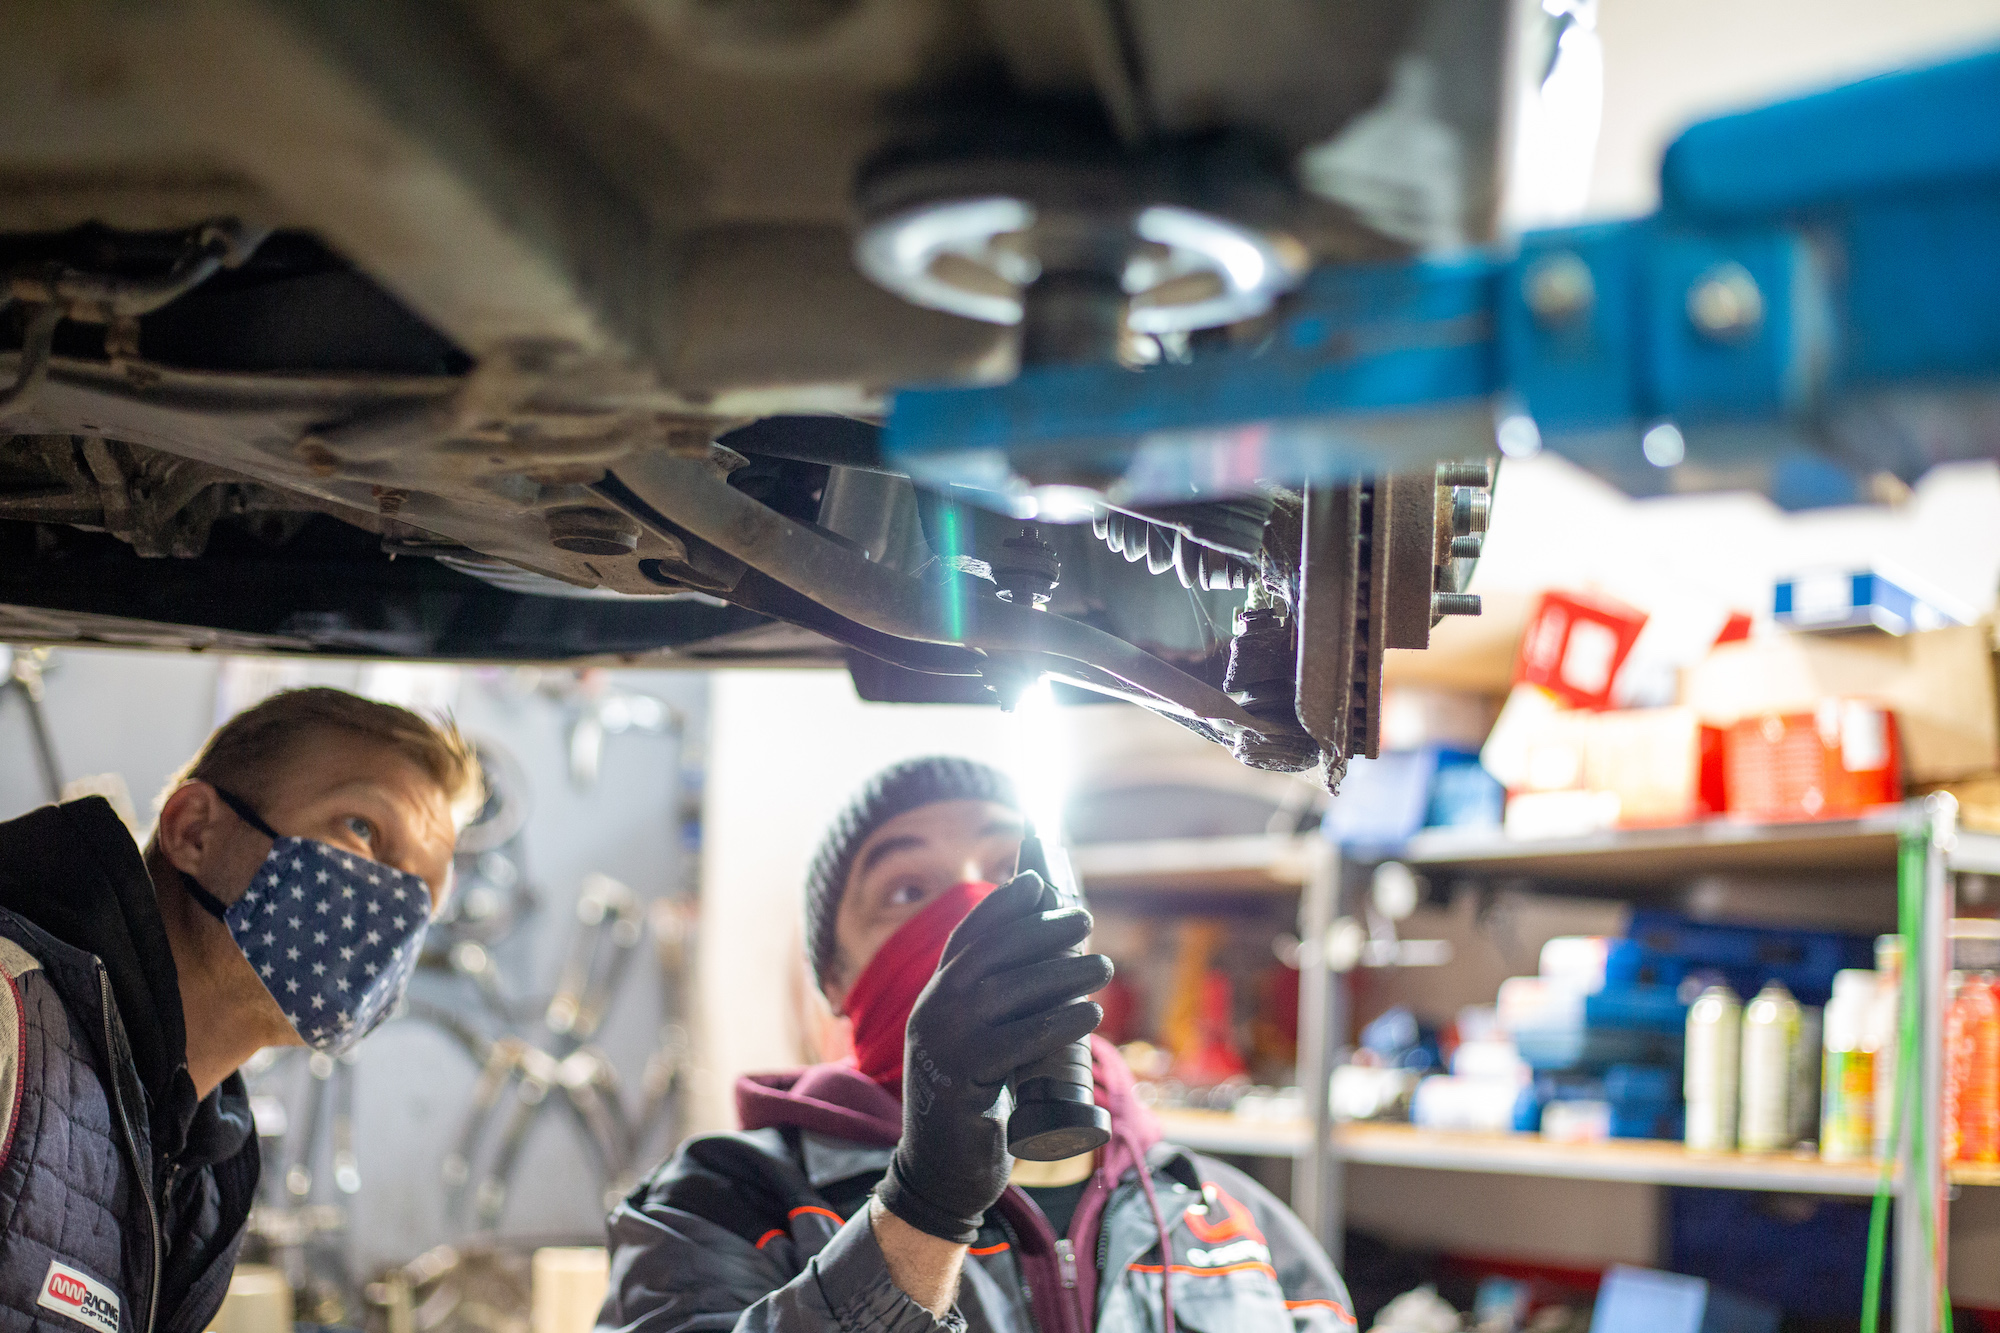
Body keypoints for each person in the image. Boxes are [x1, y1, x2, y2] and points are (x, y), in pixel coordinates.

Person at [600, 756, 1354, 1333]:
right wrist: (924, 1205)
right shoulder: (723, 1201)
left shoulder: (1234, 1220)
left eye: (1008, 872)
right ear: (834, 977)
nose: (972, 909)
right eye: (907, 889)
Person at [0, 686, 477, 1333]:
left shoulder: (204, 1169)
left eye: (425, 896)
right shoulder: (13, 1022)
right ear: (195, 831)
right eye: (363, 829)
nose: (395, 913)